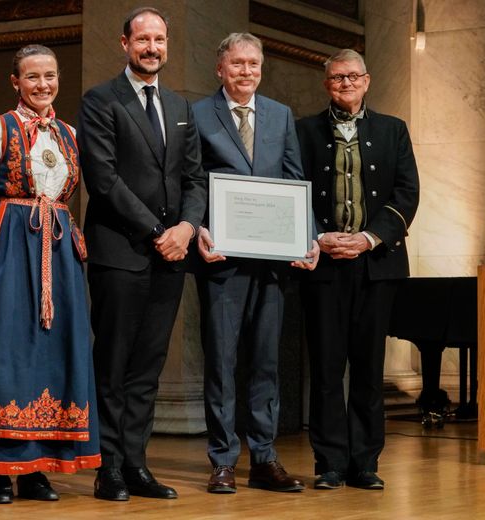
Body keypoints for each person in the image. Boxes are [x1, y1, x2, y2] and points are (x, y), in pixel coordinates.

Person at [0, 44, 101, 504]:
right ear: (15, 82)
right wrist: (0, 248)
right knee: (6, 356)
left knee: (54, 355)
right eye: (32, 77)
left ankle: (38, 470)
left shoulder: (68, 134)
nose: (42, 85)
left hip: (59, 253)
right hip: (9, 252)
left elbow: (66, 198)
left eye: (49, 76)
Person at [77, 7, 207, 501]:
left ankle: (136, 464)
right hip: (120, 252)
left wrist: (187, 228)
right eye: (142, 39)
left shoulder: (179, 105)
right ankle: (107, 466)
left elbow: (194, 178)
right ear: (124, 44)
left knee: (148, 365)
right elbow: (104, 181)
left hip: (170, 256)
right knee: (113, 363)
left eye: (159, 39)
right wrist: (158, 229)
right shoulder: (100, 101)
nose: (152, 47)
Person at [191, 32, 319, 494]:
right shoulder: (197, 114)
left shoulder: (281, 115)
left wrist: (307, 235)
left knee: (266, 361)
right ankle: (223, 460)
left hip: (271, 261)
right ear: (220, 69)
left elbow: (293, 180)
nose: (247, 71)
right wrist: (198, 228)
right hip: (221, 259)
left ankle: (264, 458)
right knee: (222, 363)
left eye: (254, 64)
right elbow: (192, 181)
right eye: (238, 64)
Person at [295, 48, 419, 490]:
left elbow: (407, 194)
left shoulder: (393, 130)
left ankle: (365, 462)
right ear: (326, 84)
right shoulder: (304, 130)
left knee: (369, 368)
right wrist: (318, 236)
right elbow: (294, 191)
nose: (344, 84)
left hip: (376, 266)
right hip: (323, 264)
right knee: (327, 369)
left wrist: (368, 239)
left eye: (352, 77)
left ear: (367, 81)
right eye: (336, 78)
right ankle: (329, 462)